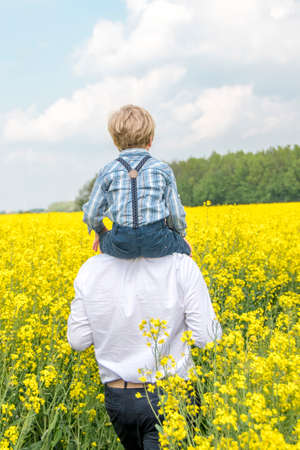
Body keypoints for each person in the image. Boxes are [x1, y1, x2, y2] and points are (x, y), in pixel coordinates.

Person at [67, 253, 222, 449]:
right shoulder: (180, 265)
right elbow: (208, 339)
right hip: (171, 396)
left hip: (120, 399)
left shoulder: (91, 268)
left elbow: (78, 341)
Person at [82, 104, 191, 259]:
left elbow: (91, 214)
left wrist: (101, 232)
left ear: (115, 141)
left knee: (106, 240)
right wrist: (180, 236)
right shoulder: (162, 169)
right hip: (157, 241)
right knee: (185, 250)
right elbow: (175, 213)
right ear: (151, 140)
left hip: (121, 243)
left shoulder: (107, 171)